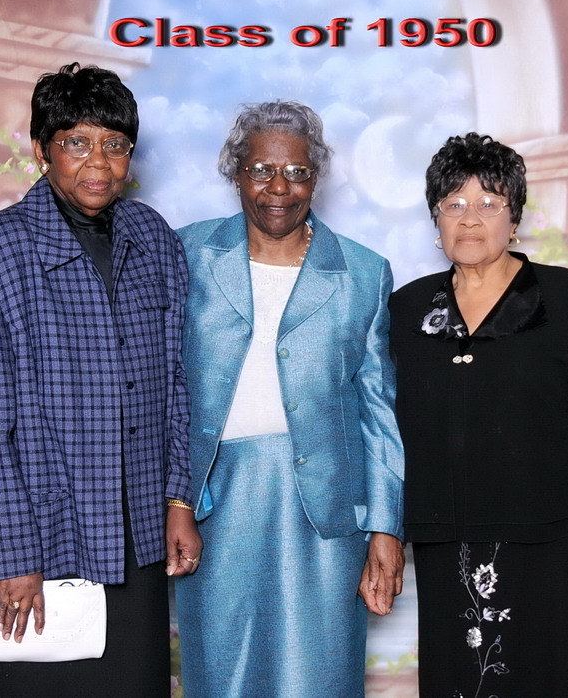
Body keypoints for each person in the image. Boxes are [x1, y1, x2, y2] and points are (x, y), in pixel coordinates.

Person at [0, 62, 201, 697]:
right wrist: (11, 557)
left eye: (115, 143)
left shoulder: (154, 240)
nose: (98, 162)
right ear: (41, 150)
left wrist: (177, 501)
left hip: (133, 535)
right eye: (77, 142)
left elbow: (178, 383)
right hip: (32, 533)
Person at [390, 132, 568, 697]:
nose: (470, 219)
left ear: (514, 218)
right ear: (435, 217)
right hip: (453, 553)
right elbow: (389, 433)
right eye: (454, 203)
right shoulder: (407, 310)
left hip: (565, 553)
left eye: (489, 203)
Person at [174, 101, 405, 697]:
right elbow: (161, 389)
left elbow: (378, 411)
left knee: (318, 679)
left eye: (298, 172)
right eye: (261, 170)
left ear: (316, 178)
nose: (279, 188)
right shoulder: (186, 255)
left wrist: (385, 527)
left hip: (327, 518)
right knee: (221, 679)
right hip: (212, 509)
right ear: (235, 172)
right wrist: (175, 499)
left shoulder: (363, 272)